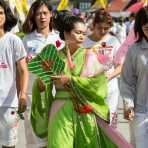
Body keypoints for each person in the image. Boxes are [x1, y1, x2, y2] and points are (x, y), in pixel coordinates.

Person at [47, 15, 118, 148]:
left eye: (84, 34)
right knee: (59, 144)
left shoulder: (90, 55)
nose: (82, 36)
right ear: (66, 33)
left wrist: (71, 79)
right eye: (78, 32)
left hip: (83, 109)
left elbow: (98, 83)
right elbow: (42, 86)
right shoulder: (54, 56)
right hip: (60, 108)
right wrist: (41, 83)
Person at [22, 1, 64, 148]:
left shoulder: (60, 39)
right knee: (35, 140)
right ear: (33, 17)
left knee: (53, 138)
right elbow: (22, 70)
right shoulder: (27, 40)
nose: (42, 17)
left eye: (45, 13)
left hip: (56, 95)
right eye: (38, 14)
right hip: (33, 97)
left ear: (51, 15)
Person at [83, 8, 121, 127]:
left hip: (110, 90)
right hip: (90, 91)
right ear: (93, 25)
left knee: (110, 126)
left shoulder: (114, 41)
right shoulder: (84, 42)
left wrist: (109, 76)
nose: (103, 31)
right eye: (100, 28)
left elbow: (120, 65)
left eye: (106, 28)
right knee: (92, 126)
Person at [0, 1, 29, 148]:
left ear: (6, 15)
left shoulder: (14, 40)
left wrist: (22, 94)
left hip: (8, 104)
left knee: (9, 145)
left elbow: (23, 70)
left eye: (0, 13)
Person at [120, 6, 148, 148]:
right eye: (147, 28)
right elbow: (127, 81)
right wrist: (128, 104)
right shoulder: (134, 50)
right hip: (141, 111)